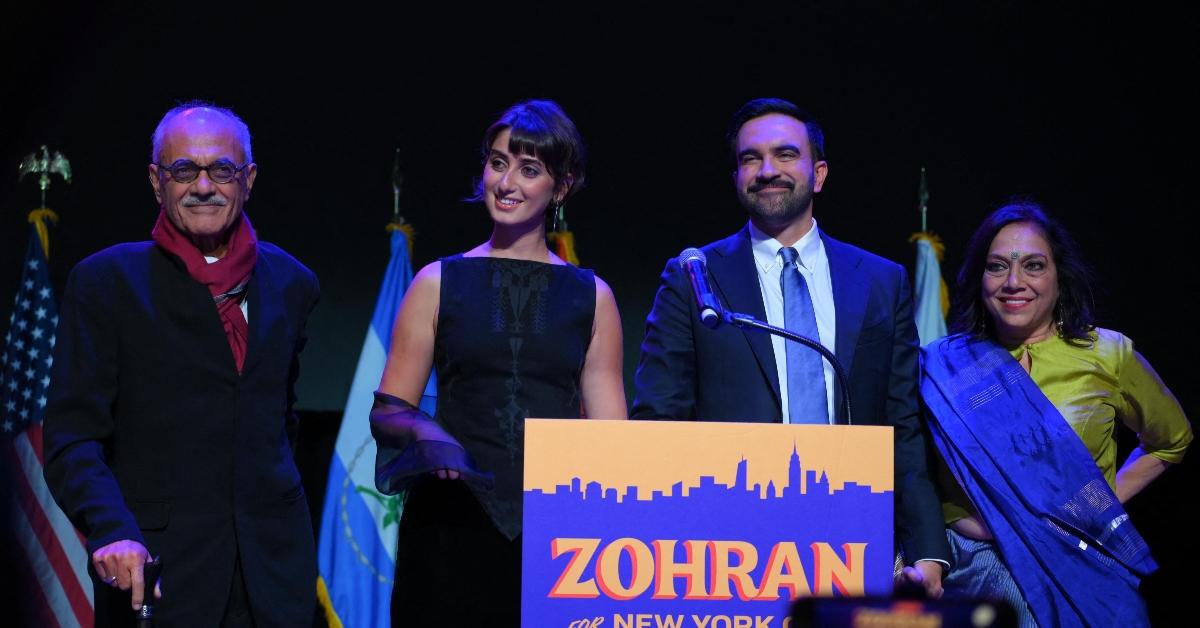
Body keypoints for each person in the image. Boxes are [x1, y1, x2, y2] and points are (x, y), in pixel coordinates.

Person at [631, 97, 952, 595]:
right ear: (736, 176)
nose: (766, 171)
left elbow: (901, 425)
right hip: (727, 549)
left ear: (818, 173)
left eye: (785, 154)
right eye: (750, 159)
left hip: (852, 537)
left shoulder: (882, 282)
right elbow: (659, 419)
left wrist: (928, 549)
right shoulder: (695, 277)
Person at [42, 102, 319, 627]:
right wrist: (112, 528)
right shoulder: (107, 283)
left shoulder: (293, 283)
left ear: (249, 179)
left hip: (275, 576)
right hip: (154, 573)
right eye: (184, 170)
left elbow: (278, 422)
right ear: (156, 181)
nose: (204, 186)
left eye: (222, 170)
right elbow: (73, 437)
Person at [370, 99, 627, 626]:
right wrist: (426, 435)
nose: (506, 181)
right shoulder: (437, 282)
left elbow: (612, 438)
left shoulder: (592, 296)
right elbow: (389, 410)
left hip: (557, 537)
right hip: (450, 525)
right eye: (497, 162)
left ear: (561, 187)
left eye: (529, 169)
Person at [922, 201, 1191, 627]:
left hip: (1082, 563)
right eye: (997, 267)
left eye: (1033, 266)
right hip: (973, 572)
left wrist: (1096, 505)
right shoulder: (941, 366)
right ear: (979, 278)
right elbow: (911, 470)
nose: (1014, 282)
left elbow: (1172, 440)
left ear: (1058, 277)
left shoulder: (1107, 354)